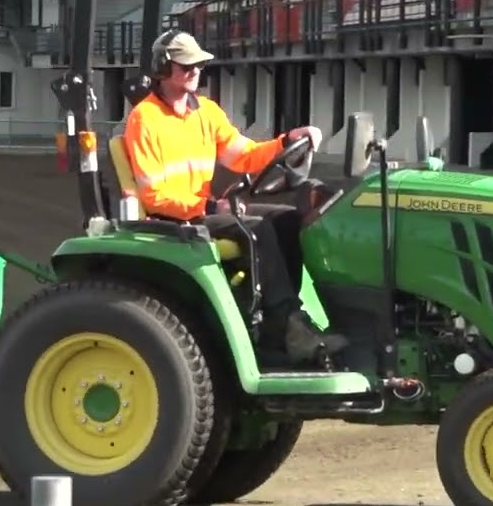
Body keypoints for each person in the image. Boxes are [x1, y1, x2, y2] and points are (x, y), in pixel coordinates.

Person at [121, 29, 349, 366]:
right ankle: (289, 326)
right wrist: (212, 206)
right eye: (186, 66)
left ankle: (282, 324)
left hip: (203, 210)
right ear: (162, 68)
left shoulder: (206, 112)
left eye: (198, 64)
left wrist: (287, 141)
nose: (195, 71)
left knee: (287, 220)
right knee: (257, 229)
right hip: (175, 219)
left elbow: (244, 156)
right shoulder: (145, 119)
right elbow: (154, 196)